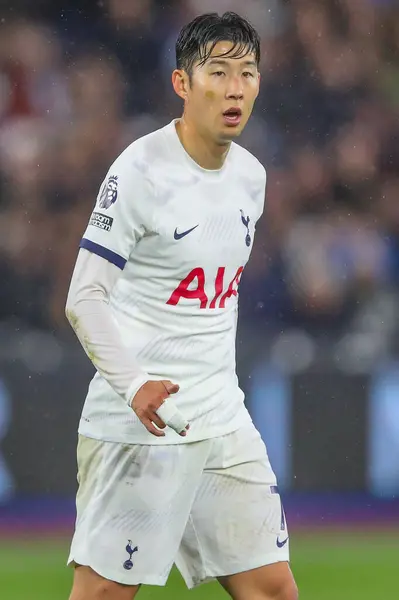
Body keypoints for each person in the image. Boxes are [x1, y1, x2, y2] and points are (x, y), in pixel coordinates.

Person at [65, 11, 298, 600]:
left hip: (220, 416)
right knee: (102, 595)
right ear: (182, 83)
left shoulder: (251, 177)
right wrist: (135, 383)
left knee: (273, 591)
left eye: (247, 72)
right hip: (138, 422)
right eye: (217, 72)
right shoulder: (139, 171)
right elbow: (83, 297)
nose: (235, 87)